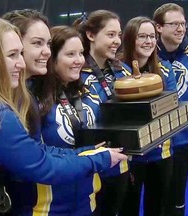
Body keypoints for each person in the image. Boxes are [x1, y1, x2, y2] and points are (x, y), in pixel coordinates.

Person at [0, 14, 127, 215]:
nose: (21, 63)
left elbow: (36, 151)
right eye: (13, 54)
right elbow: (41, 165)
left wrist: (88, 152)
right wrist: (99, 159)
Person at [2, 9, 120, 216]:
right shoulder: (23, 98)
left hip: (85, 202)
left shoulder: (87, 91)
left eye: (81, 53)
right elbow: (37, 160)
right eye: (70, 54)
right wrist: (96, 158)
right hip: (42, 208)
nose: (79, 60)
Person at [153, 3, 188, 216]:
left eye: (183, 24)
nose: (180, 29)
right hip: (154, 144)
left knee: (177, 201)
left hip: (183, 142)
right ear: (159, 27)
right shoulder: (149, 57)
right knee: (155, 200)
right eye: (174, 24)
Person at [74, 9, 130, 216]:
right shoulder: (76, 75)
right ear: (90, 35)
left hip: (120, 163)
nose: (117, 41)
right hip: (90, 165)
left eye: (119, 35)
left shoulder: (122, 71)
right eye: (110, 34)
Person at [118, 16, 177, 216]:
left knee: (158, 208)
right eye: (142, 36)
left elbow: (172, 107)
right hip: (130, 156)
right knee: (128, 208)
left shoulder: (166, 70)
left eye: (152, 36)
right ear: (130, 39)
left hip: (161, 153)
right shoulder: (117, 72)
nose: (148, 41)